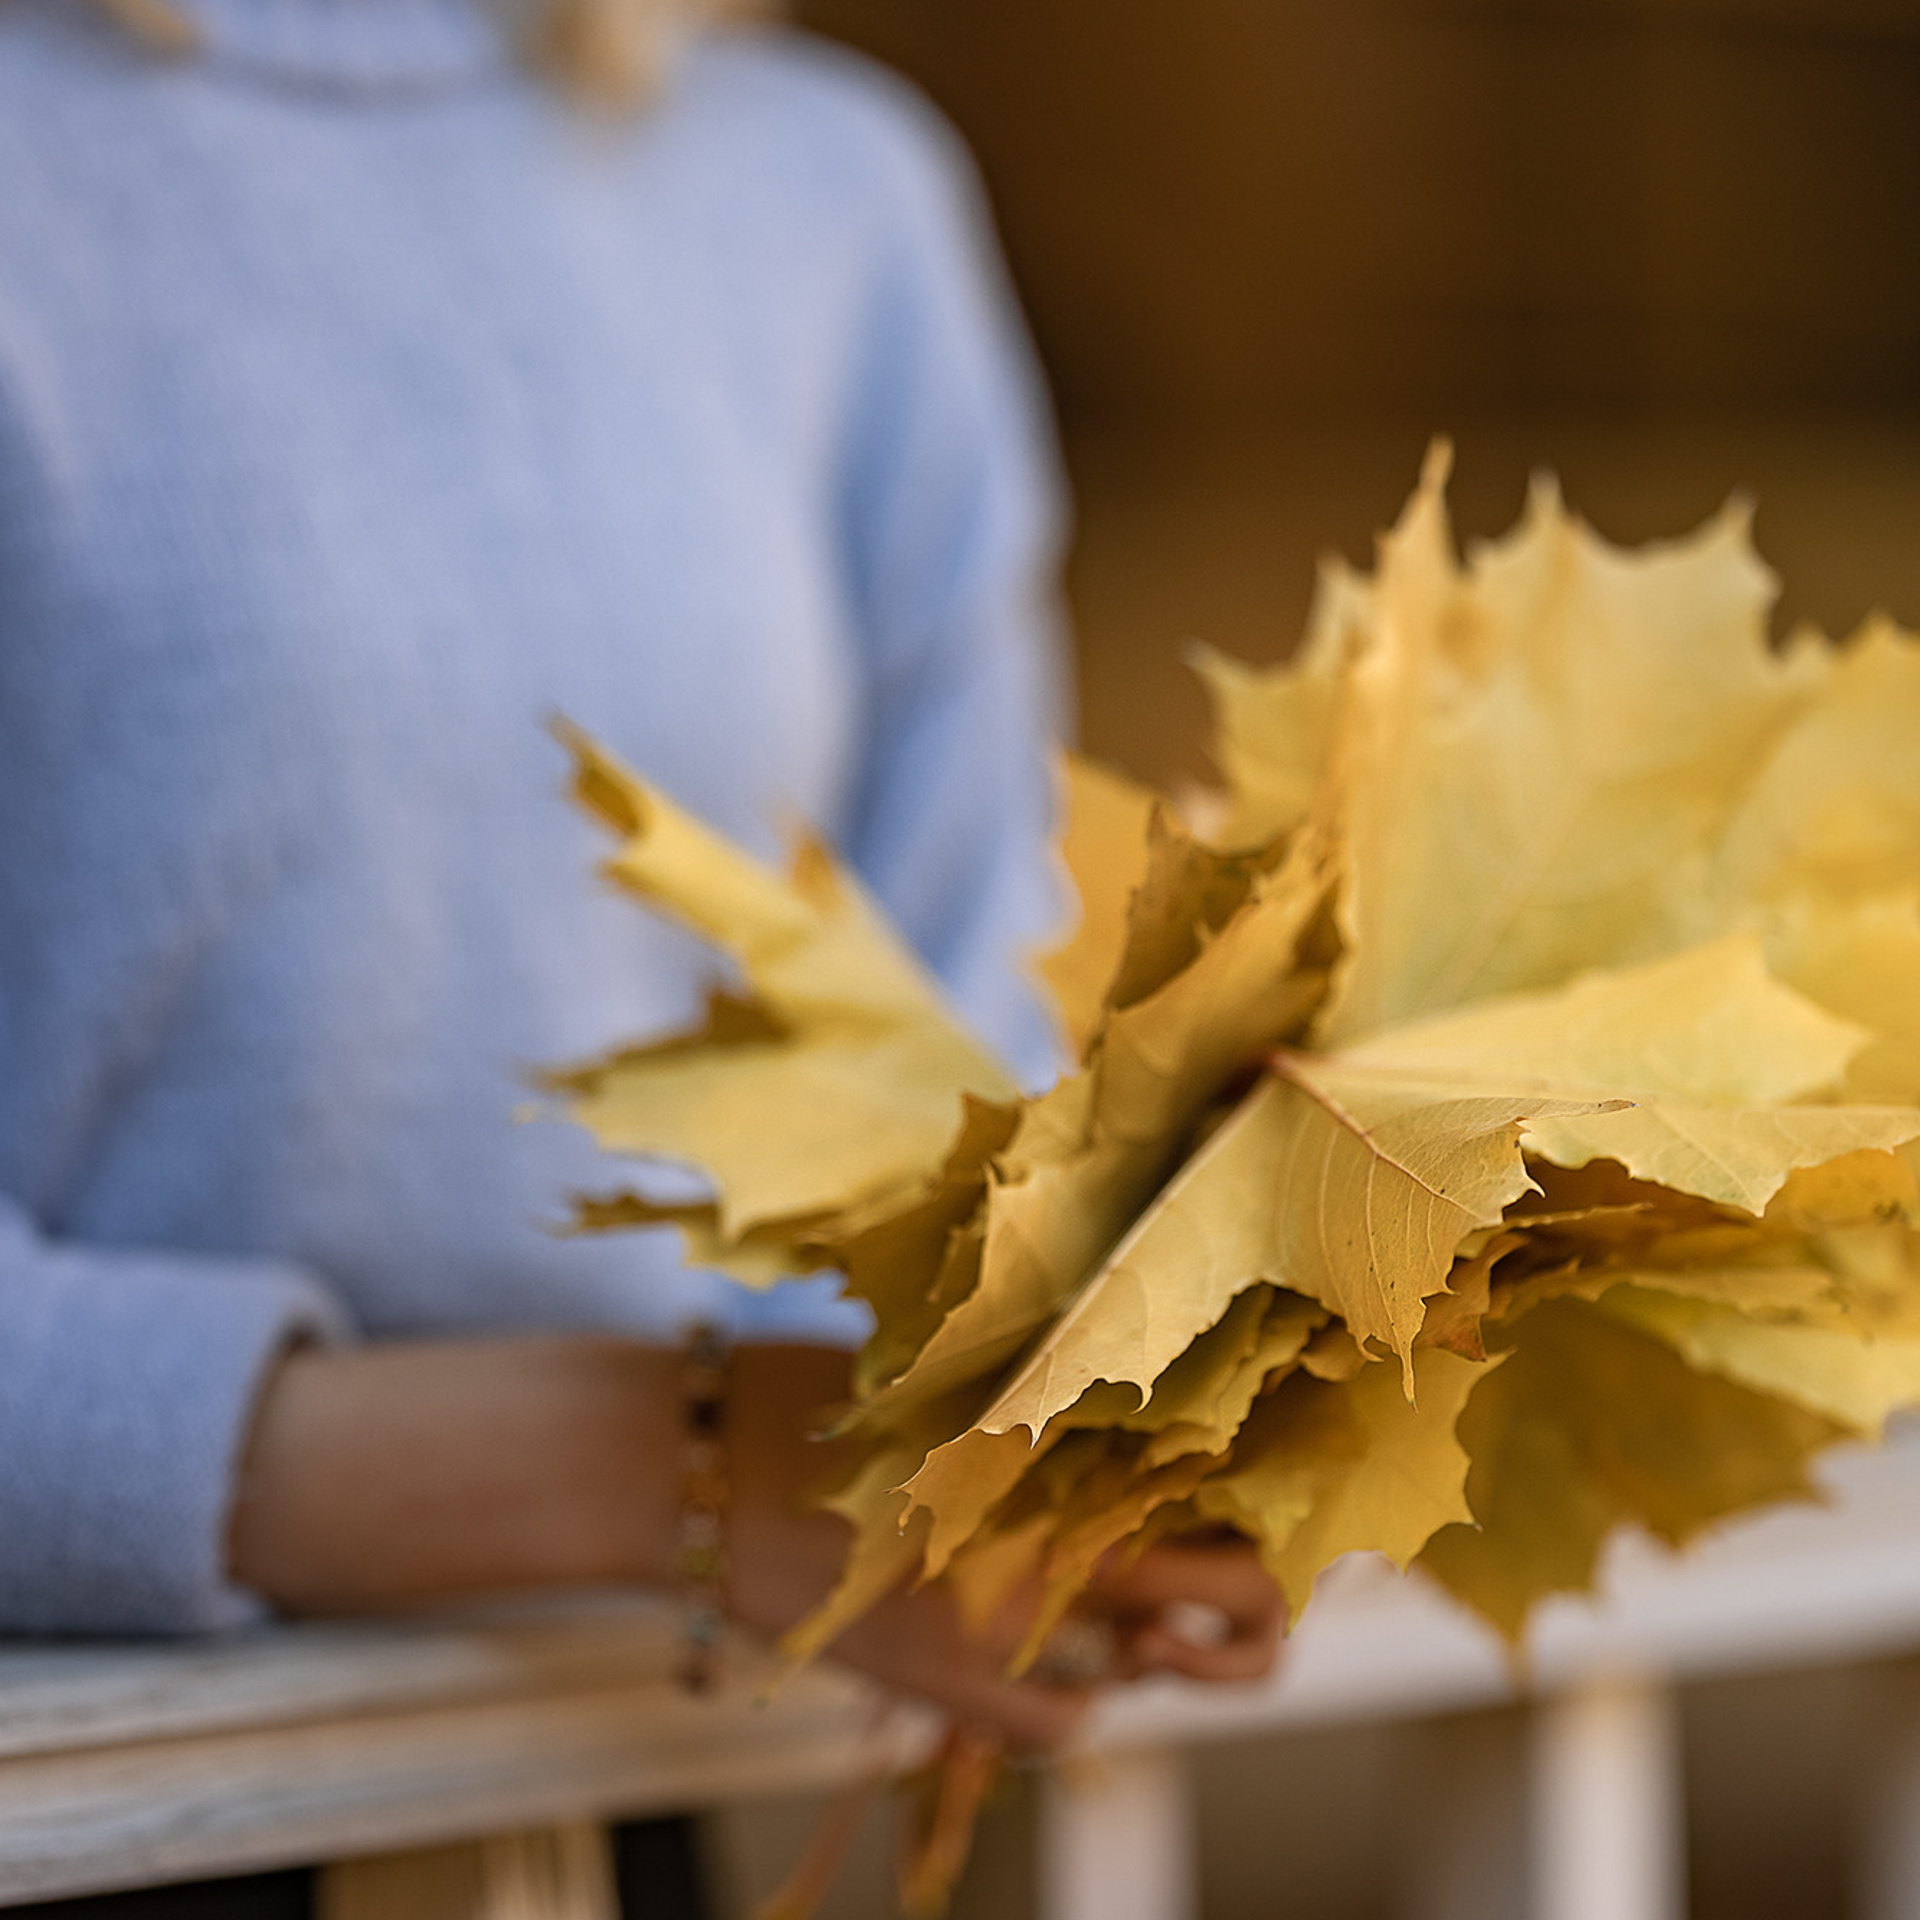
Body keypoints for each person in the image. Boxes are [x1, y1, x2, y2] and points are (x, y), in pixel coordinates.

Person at [0, 0, 1283, 1900]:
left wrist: (1104, 1407)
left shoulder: (820, 193)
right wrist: (666, 1469)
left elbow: (943, 1070)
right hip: (88, 1777)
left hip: (587, 1786)